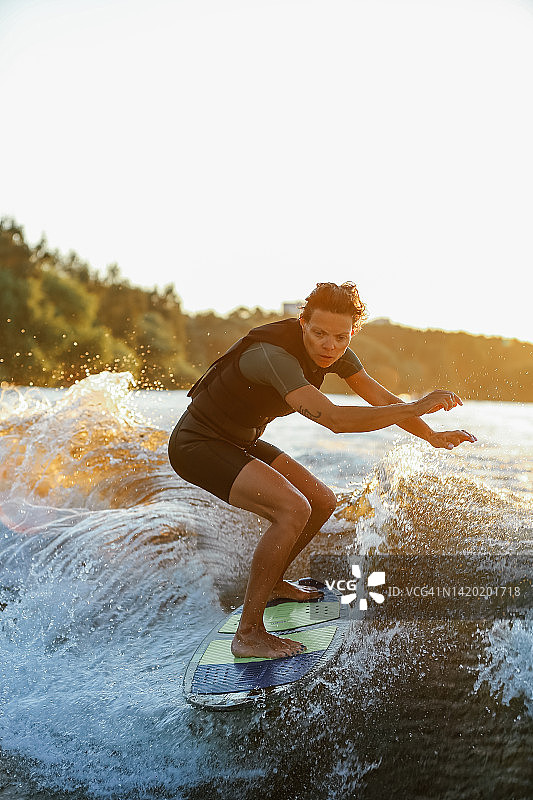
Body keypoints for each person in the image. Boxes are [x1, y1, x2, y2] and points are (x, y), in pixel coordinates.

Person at [168, 282, 476, 660]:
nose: (329, 346)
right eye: (319, 334)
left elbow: (380, 398)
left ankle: (275, 583)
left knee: (319, 500)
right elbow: (334, 419)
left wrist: (430, 434)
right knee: (292, 508)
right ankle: (247, 634)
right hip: (197, 443)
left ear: (351, 333)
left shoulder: (336, 353)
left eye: (340, 337)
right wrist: (416, 408)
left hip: (239, 440)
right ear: (302, 323)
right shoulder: (274, 355)